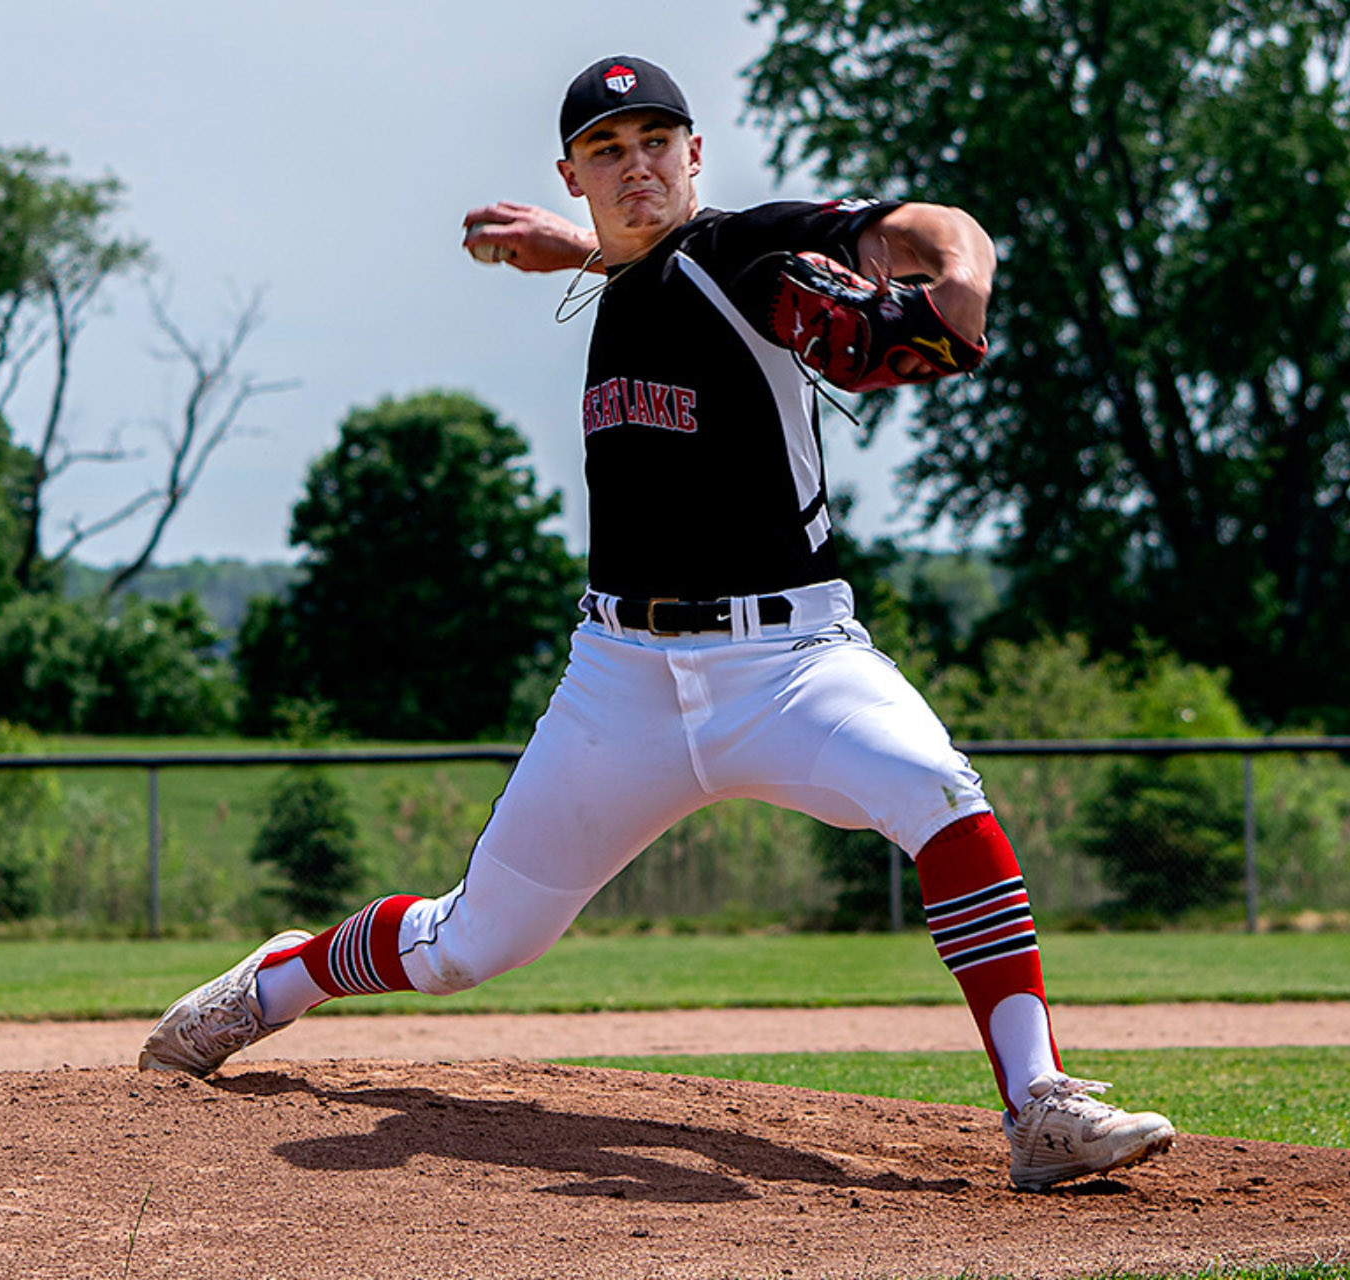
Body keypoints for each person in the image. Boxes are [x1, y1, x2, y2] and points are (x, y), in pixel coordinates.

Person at [140, 54, 1175, 1192]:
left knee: (941, 795)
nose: (637, 166)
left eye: (655, 142)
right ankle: (278, 979)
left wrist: (963, 281)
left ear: (694, 153)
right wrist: (581, 249)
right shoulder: (628, 273)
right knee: (471, 942)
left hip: (791, 662)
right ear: (572, 173)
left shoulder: (748, 245)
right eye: (607, 150)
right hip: (619, 678)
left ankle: (1040, 1104)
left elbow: (932, 226)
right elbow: (647, 264)